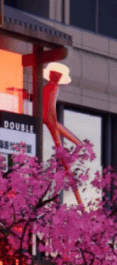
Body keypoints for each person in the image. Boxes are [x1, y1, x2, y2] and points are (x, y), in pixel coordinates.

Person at [42, 62, 83, 206]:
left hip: (48, 119)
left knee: (74, 146)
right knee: (78, 144)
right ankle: (68, 163)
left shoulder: (48, 87)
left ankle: (67, 163)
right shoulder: (52, 87)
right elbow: (51, 107)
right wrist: (54, 123)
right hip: (50, 120)